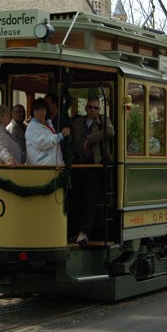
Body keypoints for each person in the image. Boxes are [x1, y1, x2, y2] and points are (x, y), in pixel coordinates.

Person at [70, 96, 115, 246]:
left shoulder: (103, 121)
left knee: (89, 201)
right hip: (78, 166)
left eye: (95, 108)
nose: (92, 110)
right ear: (85, 108)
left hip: (94, 167)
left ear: (99, 109)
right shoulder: (77, 122)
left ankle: (84, 233)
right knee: (76, 199)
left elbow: (110, 133)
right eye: (90, 107)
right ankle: (75, 232)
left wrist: (90, 139)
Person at [26, 97, 70, 165]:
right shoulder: (32, 127)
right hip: (41, 167)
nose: (40, 113)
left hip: (51, 166)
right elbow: (42, 143)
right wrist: (60, 135)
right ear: (33, 112)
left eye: (42, 110)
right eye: (37, 110)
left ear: (46, 111)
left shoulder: (48, 124)